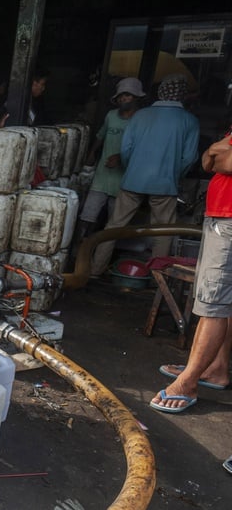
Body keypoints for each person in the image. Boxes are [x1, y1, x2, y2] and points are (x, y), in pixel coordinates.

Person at [150, 134, 232, 414]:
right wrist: (215, 153)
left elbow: (223, 159)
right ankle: (216, 368)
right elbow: (210, 160)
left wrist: (217, 154)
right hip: (222, 215)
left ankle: (188, 382)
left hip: (229, 220)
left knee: (213, 303)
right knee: (223, 301)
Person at [89, 74, 200, 277]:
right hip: (165, 184)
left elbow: (126, 149)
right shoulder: (189, 121)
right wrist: (174, 175)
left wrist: (133, 168)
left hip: (133, 180)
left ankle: (94, 270)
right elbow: (189, 158)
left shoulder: (140, 115)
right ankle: (157, 278)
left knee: (113, 226)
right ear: (182, 96)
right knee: (163, 233)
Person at [77, 77, 146, 241]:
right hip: (102, 175)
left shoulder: (142, 120)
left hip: (124, 180)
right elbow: (100, 136)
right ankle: (78, 251)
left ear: (136, 98)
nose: (123, 99)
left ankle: (101, 256)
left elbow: (143, 149)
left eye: (128, 95)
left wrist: (121, 158)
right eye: (121, 96)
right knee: (87, 216)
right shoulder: (111, 116)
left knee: (113, 225)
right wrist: (91, 154)